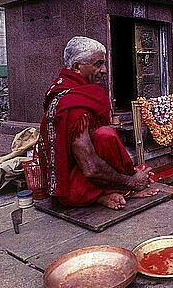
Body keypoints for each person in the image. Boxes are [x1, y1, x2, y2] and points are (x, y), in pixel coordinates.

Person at [38, 37, 157, 209]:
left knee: (104, 135)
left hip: (80, 181)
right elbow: (91, 168)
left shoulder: (69, 91)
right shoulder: (73, 104)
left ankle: (103, 194)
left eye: (103, 64)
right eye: (98, 64)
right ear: (77, 66)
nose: (104, 70)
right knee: (106, 134)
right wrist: (132, 182)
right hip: (73, 191)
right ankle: (119, 189)